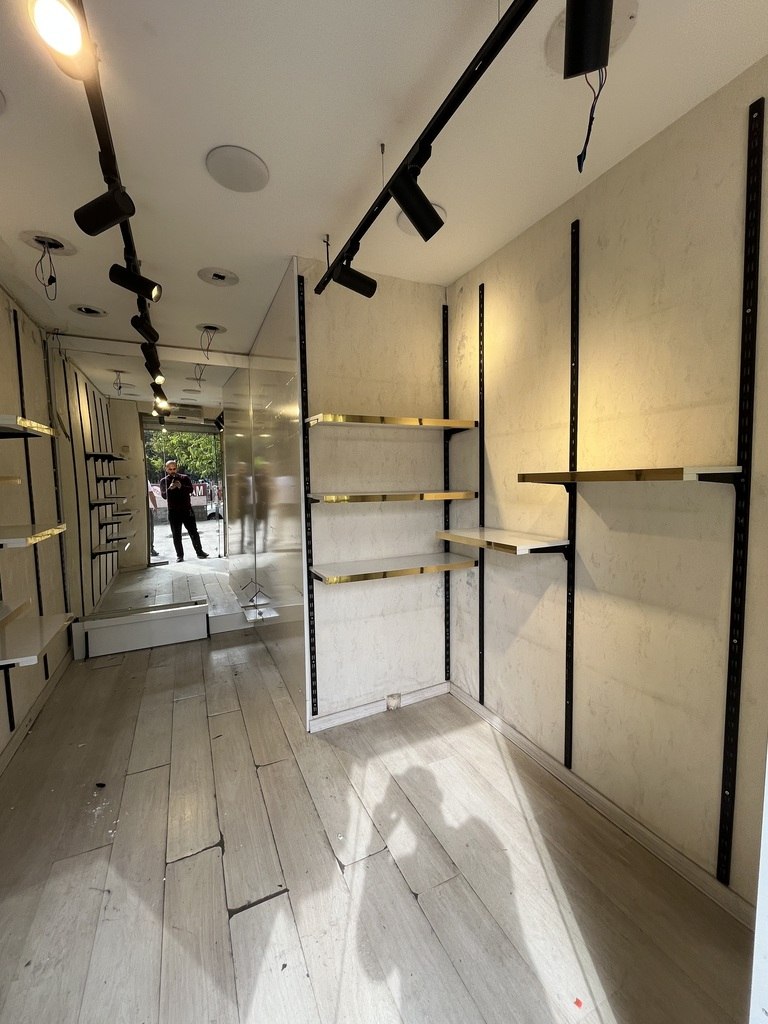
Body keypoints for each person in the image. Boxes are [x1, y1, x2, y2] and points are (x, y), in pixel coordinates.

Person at [159, 459, 208, 562]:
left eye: (174, 469)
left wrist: (180, 486)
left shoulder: (184, 478)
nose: (172, 471)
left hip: (186, 509)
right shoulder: (164, 481)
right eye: (170, 469)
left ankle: (199, 552)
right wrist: (170, 488)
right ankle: (180, 555)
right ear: (166, 469)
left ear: (177, 468)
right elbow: (164, 495)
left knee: (193, 532)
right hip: (173, 511)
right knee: (176, 534)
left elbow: (190, 490)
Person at [148, 479, 159, 557]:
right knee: (150, 530)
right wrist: (155, 506)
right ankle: (151, 548)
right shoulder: (145, 480)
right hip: (146, 509)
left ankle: (149, 548)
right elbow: (151, 493)